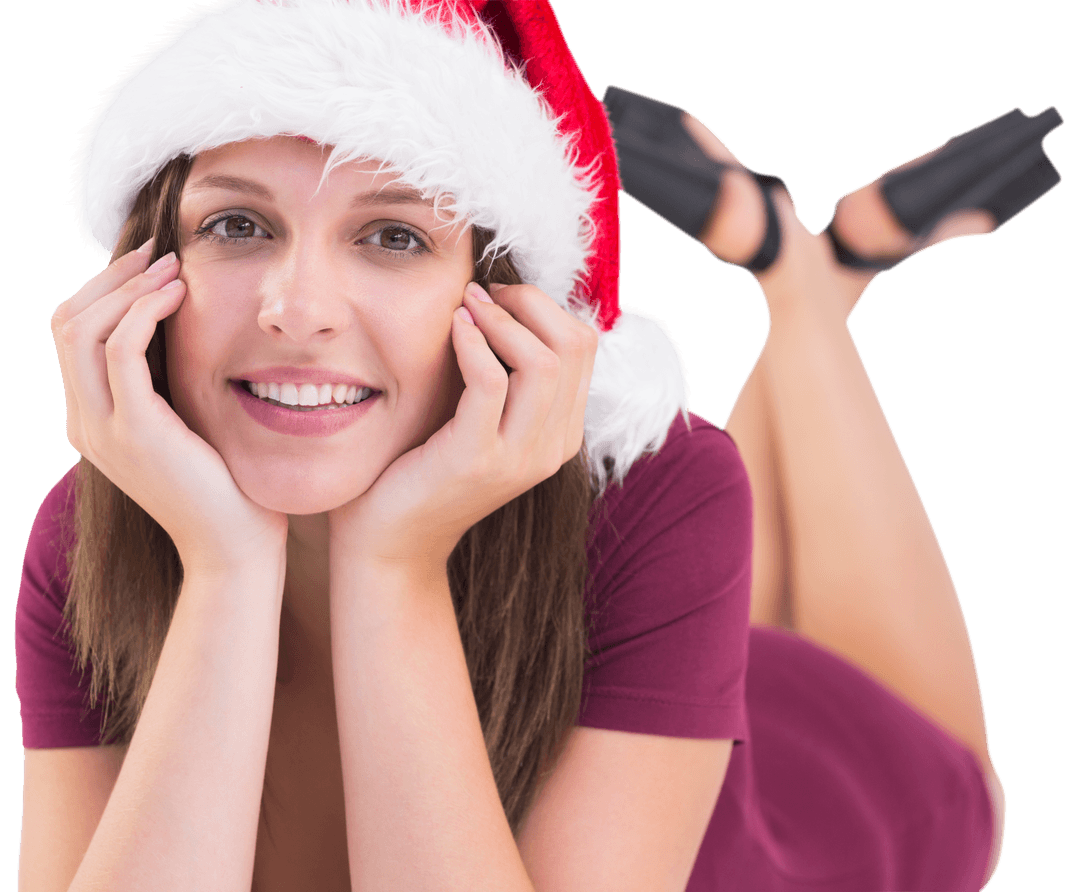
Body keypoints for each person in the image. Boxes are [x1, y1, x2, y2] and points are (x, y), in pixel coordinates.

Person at [13, 1, 1061, 890]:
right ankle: (807, 266)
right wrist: (226, 564)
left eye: (394, 235)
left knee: (971, 791)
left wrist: (394, 563)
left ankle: (809, 288)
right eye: (238, 227)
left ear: (502, 297)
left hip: (819, 795)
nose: (295, 309)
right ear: (142, 277)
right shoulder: (96, 528)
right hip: (672, 672)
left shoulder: (664, 487)